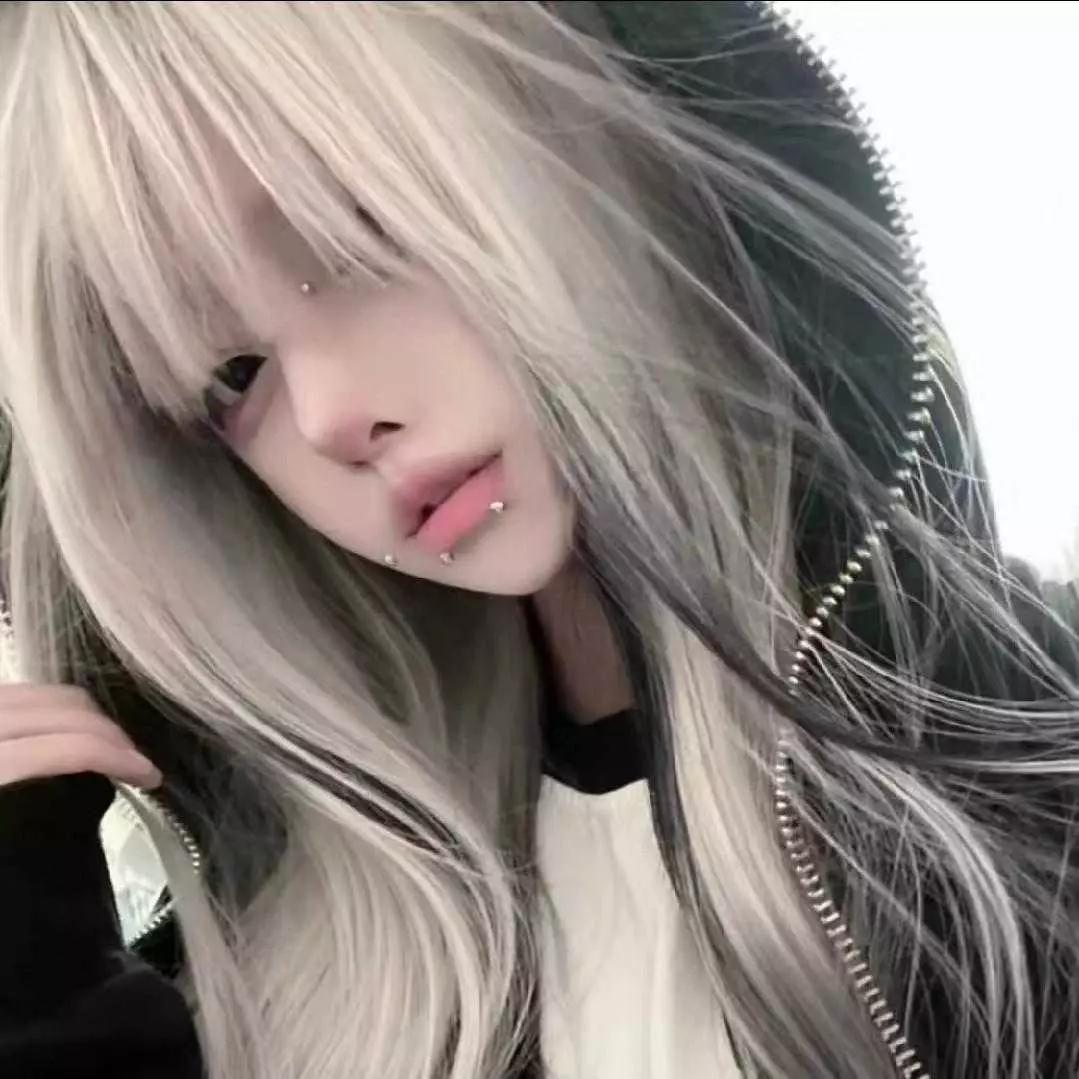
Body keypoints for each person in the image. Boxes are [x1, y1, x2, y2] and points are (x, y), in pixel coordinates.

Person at [0, 2, 1076, 1077]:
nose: (328, 416)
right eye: (233, 379)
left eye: (351, 233)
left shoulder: (1037, 778)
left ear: (591, 146)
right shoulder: (303, 965)